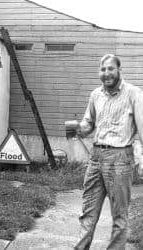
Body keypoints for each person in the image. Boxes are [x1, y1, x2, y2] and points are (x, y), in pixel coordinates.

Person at [74, 54, 143, 250]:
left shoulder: (134, 94)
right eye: (103, 69)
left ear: (119, 70)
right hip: (96, 158)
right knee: (88, 211)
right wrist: (79, 128)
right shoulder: (96, 95)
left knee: (119, 216)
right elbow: (89, 123)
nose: (107, 73)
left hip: (120, 159)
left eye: (111, 68)